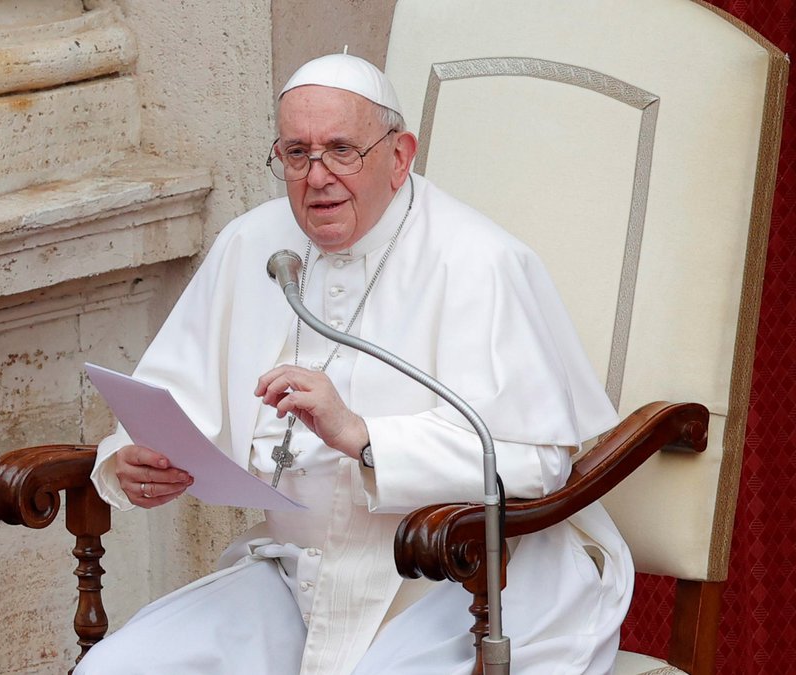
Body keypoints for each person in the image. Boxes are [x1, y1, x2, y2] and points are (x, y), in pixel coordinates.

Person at [77, 53, 633, 675]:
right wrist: (129, 458)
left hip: (460, 584)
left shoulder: (479, 261)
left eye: (342, 150)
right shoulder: (250, 245)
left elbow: (537, 465)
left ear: (399, 157)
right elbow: (171, 398)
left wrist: (365, 438)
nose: (317, 177)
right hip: (299, 578)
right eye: (296, 152)